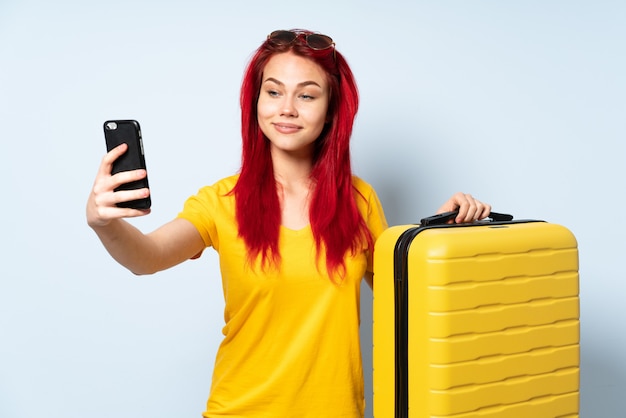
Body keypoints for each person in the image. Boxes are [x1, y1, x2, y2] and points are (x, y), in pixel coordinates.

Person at [86, 29, 491, 418]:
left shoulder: (359, 200)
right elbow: (148, 257)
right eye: (274, 91)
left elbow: (405, 300)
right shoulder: (221, 202)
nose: (287, 109)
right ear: (256, 101)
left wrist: (438, 237)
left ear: (332, 109)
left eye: (307, 96)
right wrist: (105, 224)